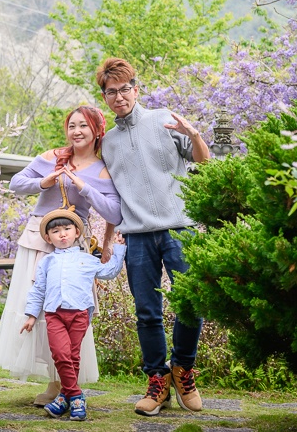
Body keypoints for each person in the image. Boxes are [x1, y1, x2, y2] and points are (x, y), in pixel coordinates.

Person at [95, 57, 211, 417]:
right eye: (110, 92)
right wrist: (108, 238)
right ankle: (157, 380)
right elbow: (114, 196)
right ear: (105, 97)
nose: (118, 97)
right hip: (138, 238)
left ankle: (183, 369)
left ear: (136, 88)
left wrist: (192, 134)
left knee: (191, 304)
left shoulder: (164, 118)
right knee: (147, 313)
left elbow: (203, 161)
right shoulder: (107, 143)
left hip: (180, 228)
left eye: (124, 88)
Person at [0, 105, 123, 406]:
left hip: (72, 247)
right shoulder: (51, 158)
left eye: (83, 126)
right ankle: (55, 381)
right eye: (72, 125)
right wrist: (44, 182)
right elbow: (15, 184)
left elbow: (114, 211)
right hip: (38, 239)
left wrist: (83, 187)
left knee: (68, 309)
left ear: (97, 131)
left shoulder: (101, 170)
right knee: (37, 306)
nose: (77, 131)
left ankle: (64, 382)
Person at [21, 209, 127, 421]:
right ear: (47, 237)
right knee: (60, 354)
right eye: (56, 231)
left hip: (79, 314)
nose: (62, 234)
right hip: (54, 314)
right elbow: (39, 289)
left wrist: (119, 249)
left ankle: (64, 397)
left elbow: (109, 272)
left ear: (77, 232)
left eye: (67, 229)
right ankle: (76, 396)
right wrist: (32, 315)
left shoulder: (86, 259)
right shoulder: (47, 262)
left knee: (72, 356)